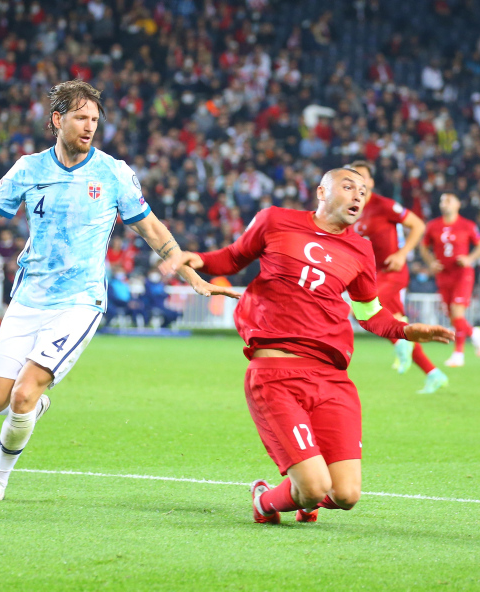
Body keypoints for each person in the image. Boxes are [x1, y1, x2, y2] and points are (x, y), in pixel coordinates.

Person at [0, 80, 238, 502]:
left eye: (94, 120)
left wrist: (188, 271)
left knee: (24, 392)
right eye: (80, 117)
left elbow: (151, 227)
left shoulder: (113, 172)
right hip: (29, 296)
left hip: (80, 300)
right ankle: (30, 408)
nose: (89, 127)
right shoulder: (29, 169)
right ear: (57, 119)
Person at [161, 168, 454, 525]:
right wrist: (200, 260)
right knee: (314, 487)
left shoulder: (361, 250)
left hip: (331, 379)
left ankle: (299, 496)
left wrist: (408, 330)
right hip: (276, 374)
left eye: (363, 190)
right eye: (348, 187)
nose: (358, 196)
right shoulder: (275, 221)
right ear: (321, 192)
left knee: (345, 495)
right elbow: (234, 257)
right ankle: (264, 501)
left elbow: (370, 315)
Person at [349, 160, 448, 394]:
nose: (358, 182)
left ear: (371, 182)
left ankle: (402, 347)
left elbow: (418, 225)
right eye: (352, 178)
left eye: (362, 177)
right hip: (371, 275)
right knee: (393, 326)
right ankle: (434, 374)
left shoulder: (383, 205)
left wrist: (403, 254)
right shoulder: (350, 209)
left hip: (392, 272)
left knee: (362, 309)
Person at [420, 193, 480, 367]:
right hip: (443, 274)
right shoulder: (433, 225)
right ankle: (474, 333)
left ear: (458, 204)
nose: (445, 203)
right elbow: (423, 247)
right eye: (442, 200)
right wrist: (431, 262)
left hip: (462, 273)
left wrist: (469, 259)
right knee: (452, 317)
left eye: (449, 200)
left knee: (457, 313)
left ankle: (459, 354)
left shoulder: (467, 225)